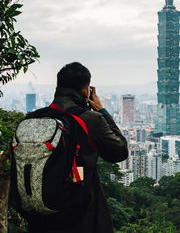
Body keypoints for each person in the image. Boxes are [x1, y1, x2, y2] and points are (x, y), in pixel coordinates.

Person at [27, 62, 128, 233]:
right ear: (85, 91)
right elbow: (119, 151)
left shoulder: (33, 120)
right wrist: (102, 111)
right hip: (79, 219)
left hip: (39, 218)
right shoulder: (90, 119)